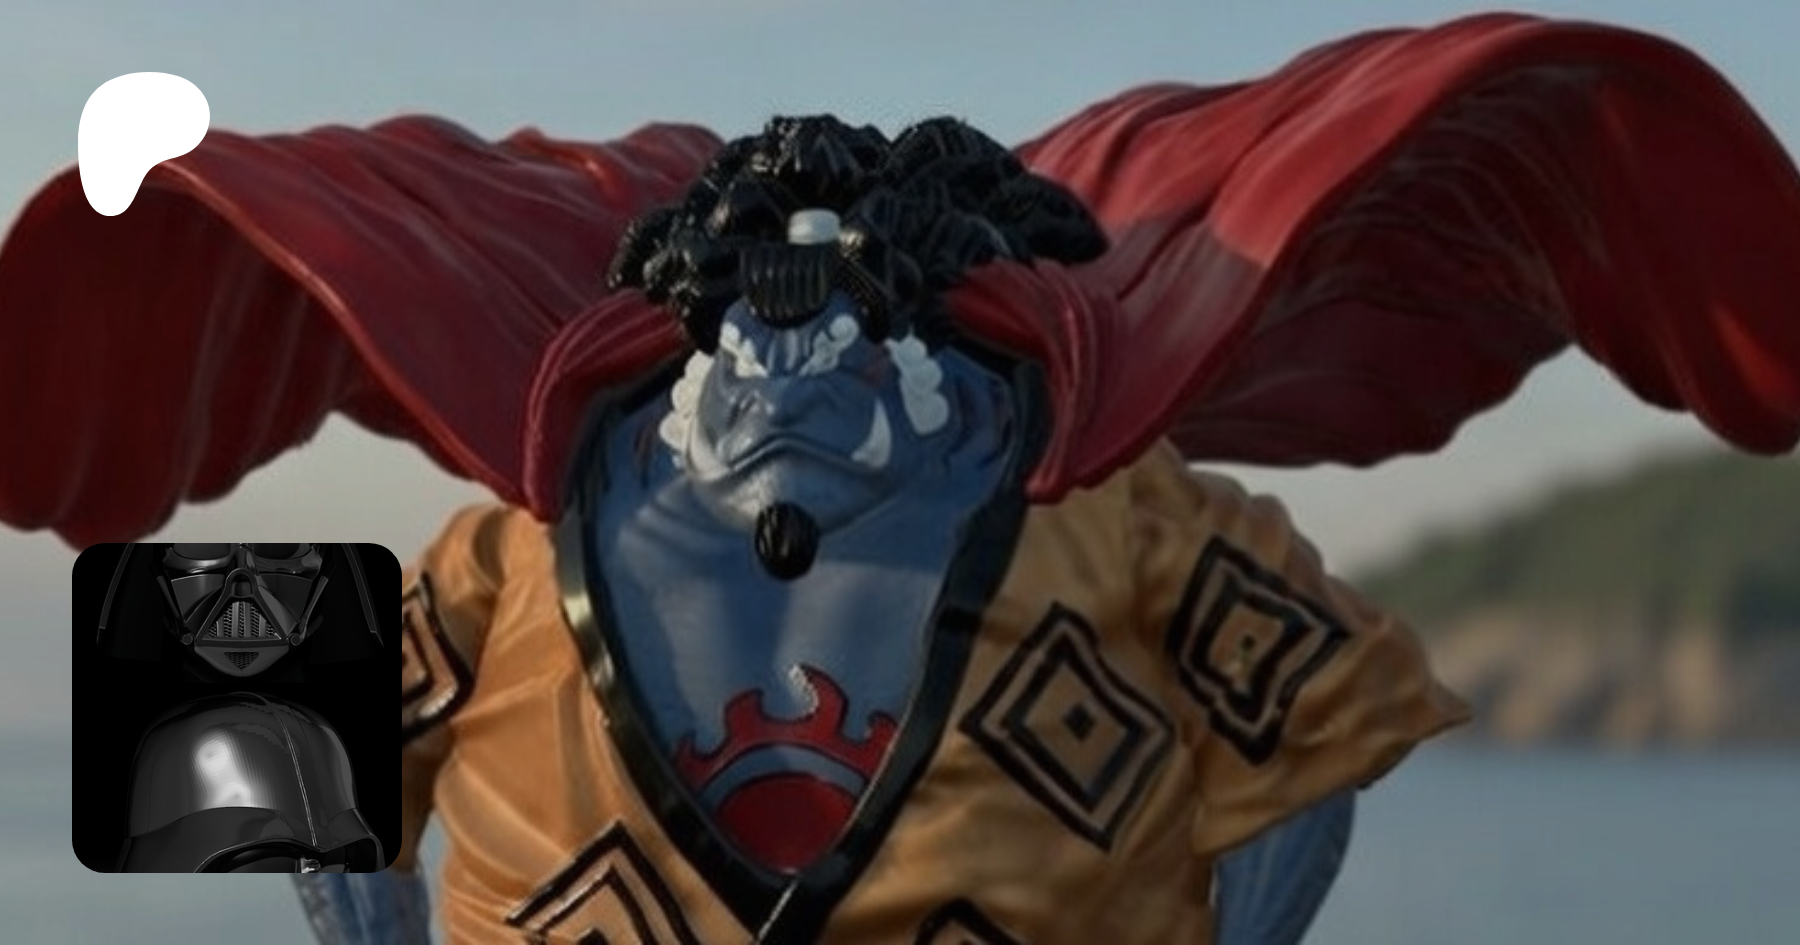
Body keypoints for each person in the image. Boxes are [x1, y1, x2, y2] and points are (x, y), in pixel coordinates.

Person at [4, 12, 1798, 944]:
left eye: (847, 314)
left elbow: (1312, 760)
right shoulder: (513, 551)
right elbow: (253, 759)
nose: (793, 365)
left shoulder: (1118, 518)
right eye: (756, 317)